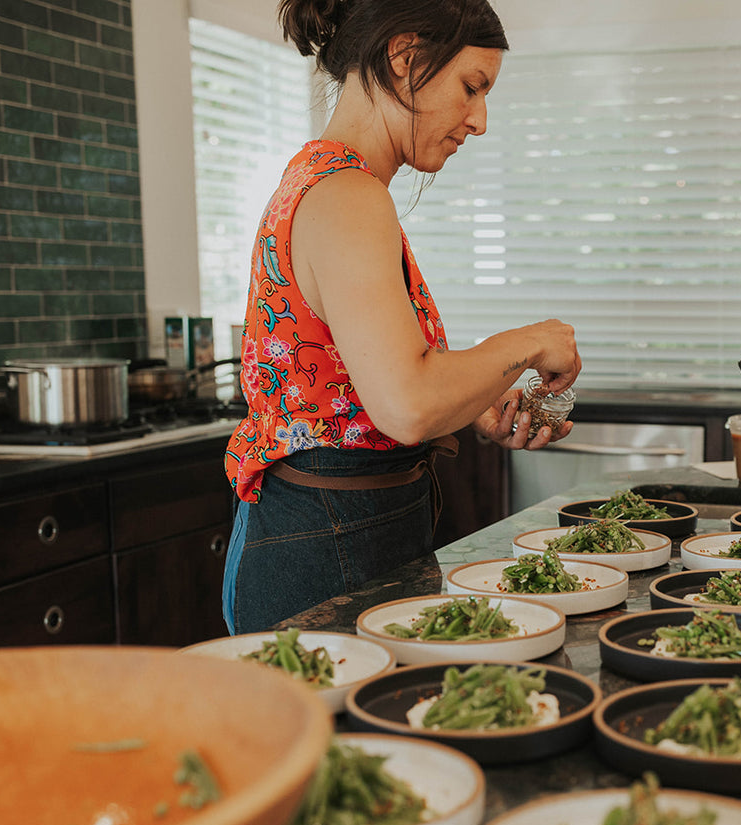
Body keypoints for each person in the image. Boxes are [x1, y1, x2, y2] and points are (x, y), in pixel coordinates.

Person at [222, 0, 581, 633]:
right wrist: (531, 342)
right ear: (406, 57)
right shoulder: (348, 196)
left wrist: (471, 401)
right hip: (323, 544)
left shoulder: (332, 181)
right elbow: (407, 405)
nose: (480, 120)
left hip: (345, 528)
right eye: (472, 87)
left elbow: (369, 388)